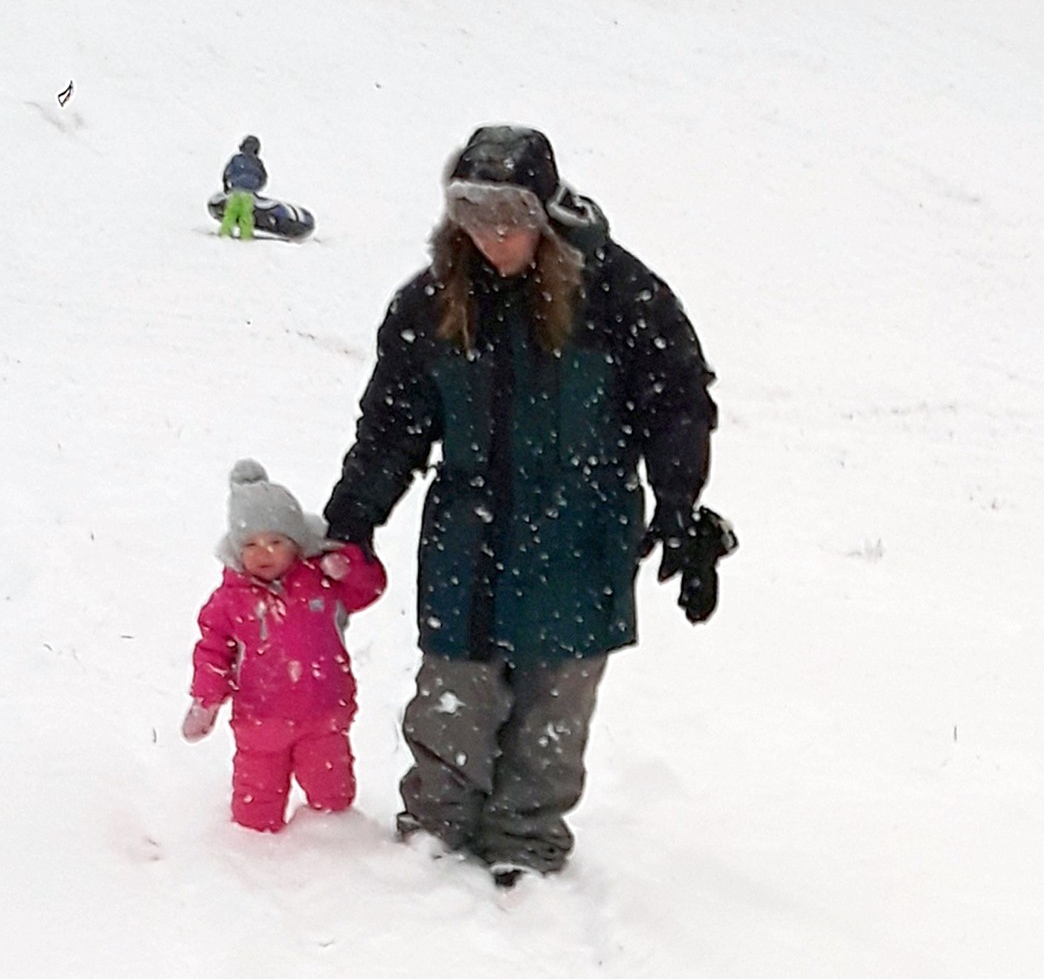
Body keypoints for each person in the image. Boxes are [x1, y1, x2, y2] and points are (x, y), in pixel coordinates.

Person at [325, 126, 734, 885]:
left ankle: (526, 843)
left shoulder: (618, 294)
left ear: (545, 214)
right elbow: (390, 429)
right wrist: (352, 520)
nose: (492, 238)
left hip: (583, 531)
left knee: (556, 705)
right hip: (469, 537)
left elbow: (678, 401)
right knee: (455, 695)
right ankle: (433, 844)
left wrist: (680, 507)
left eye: (508, 220)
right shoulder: (431, 303)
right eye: (473, 220)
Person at [183, 460, 386, 832]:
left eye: (276, 542)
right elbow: (213, 651)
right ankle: (253, 863)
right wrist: (206, 699)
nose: (264, 554)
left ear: (297, 543)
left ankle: (342, 854)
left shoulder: (322, 582)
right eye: (251, 545)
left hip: (324, 713)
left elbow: (368, 589)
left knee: (333, 800)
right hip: (260, 721)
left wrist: (350, 568)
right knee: (255, 811)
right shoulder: (230, 600)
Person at [219, 134, 267, 240]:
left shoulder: (236, 159)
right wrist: (257, 187)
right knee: (246, 215)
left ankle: (225, 232)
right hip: (248, 193)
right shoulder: (257, 162)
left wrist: (226, 185)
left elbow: (227, 172)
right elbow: (263, 177)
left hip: (235, 191)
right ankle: (246, 235)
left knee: (230, 213)